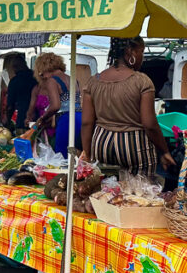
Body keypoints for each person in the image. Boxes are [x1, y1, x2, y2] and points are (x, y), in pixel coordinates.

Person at [80, 37, 176, 176]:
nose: (142, 57)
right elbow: (149, 124)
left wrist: (87, 153)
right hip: (134, 144)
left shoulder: (93, 81)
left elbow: (87, 122)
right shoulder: (142, 81)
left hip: (102, 144)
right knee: (141, 192)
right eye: (141, 52)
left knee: (106, 191)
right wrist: (164, 151)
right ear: (130, 52)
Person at [26, 52, 80, 156]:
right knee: (74, 156)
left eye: (42, 74)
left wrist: (42, 118)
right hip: (80, 118)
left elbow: (55, 106)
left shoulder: (52, 81)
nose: (43, 77)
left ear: (45, 68)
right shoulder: (73, 79)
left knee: (61, 157)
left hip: (66, 120)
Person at [4, 53, 37, 127]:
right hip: (38, 118)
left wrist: (7, 121)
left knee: (23, 137)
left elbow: (10, 106)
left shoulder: (15, 81)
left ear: (15, 67)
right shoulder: (36, 77)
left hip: (23, 118)